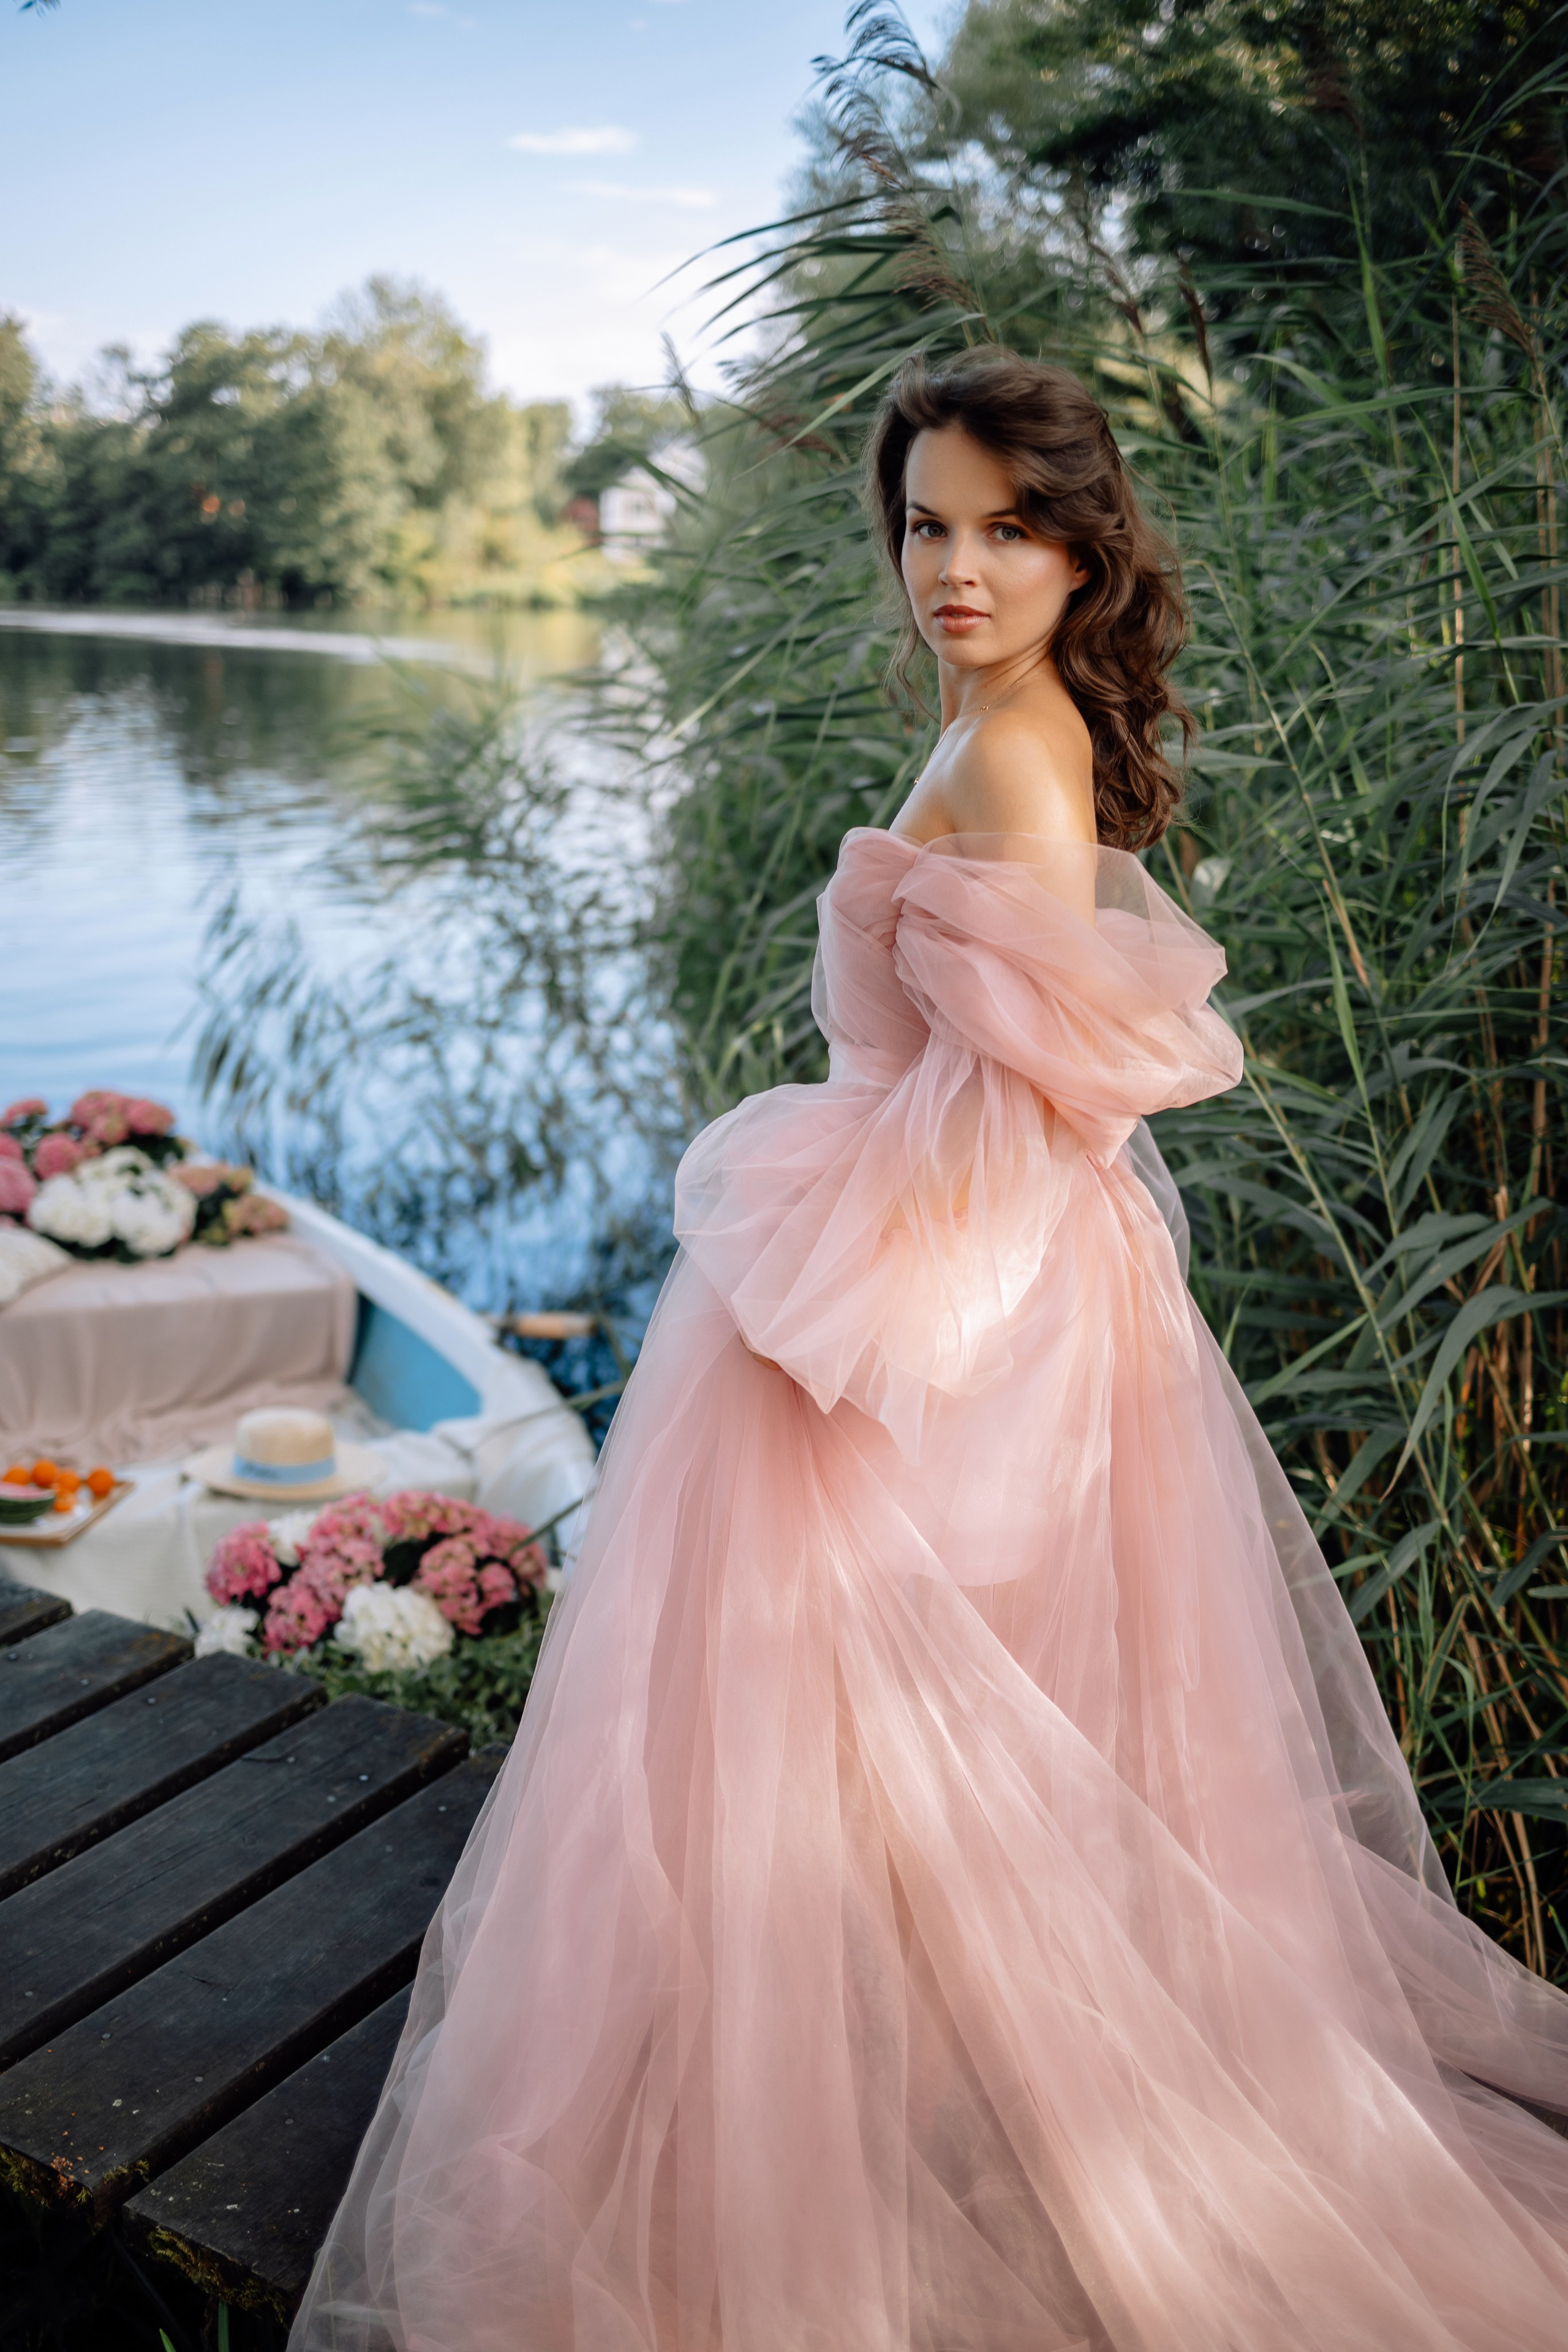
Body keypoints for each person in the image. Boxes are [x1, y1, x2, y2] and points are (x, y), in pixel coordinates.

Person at [291, 349, 1568, 2352]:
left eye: (1006, 527)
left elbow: (1039, 1103)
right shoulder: (1001, 725)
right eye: (925, 524)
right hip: (991, 1274)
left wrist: (832, 1325)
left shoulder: (1019, 754)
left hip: (955, 1302)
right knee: (931, 1750)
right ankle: (913, 2097)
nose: (955, 568)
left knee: (916, 1726)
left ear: (1084, 548)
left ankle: (906, 2142)